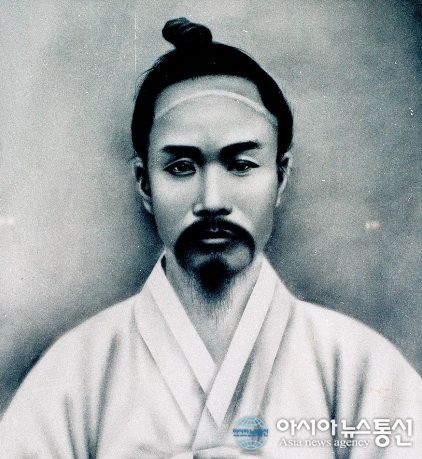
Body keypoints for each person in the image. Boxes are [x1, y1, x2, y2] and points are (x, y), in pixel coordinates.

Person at [0, 18, 420, 459]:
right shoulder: (74, 376)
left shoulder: (358, 369)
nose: (212, 201)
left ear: (281, 176)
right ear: (144, 183)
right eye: (181, 167)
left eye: (241, 165)